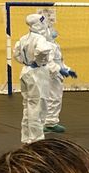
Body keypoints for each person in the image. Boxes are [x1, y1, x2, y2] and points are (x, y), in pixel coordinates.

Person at [13, 12, 54, 143]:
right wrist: (38, 61)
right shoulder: (39, 39)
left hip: (26, 71)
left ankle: (26, 136)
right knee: (38, 105)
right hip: (37, 73)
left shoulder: (24, 38)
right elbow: (43, 50)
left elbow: (16, 54)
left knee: (28, 105)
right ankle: (36, 139)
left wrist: (26, 62)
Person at [41, 20, 76, 134]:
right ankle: (49, 123)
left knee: (55, 98)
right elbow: (48, 62)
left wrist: (68, 69)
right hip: (52, 75)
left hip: (56, 74)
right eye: (50, 29)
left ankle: (51, 121)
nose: (53, 31)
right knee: (53, 98)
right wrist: (59, 69)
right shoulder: (48, 45)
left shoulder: (55, 44)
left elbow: (59, 61)